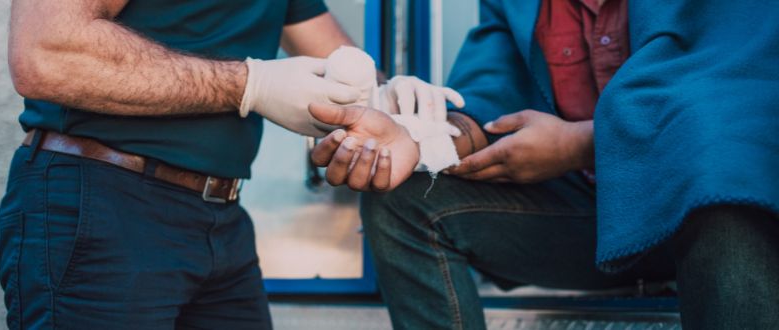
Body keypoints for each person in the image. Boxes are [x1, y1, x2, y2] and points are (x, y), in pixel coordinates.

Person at [309, 0, 779, 329]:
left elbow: (740, 104)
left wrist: (579, 145)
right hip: (592, 223)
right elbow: (487, 100)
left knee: (727, 193)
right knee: (405, 201)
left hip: (708, 212)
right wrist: (421, 138)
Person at [0, 1, 461, 328]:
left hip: (221, 221)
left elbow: (343, 74)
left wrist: (390, 102)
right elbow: (45, 52)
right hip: (103, 203)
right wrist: (249, 85)